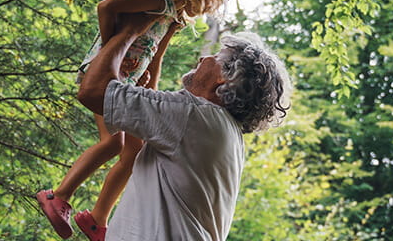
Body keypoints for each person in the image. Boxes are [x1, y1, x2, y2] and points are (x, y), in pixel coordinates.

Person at [37, 0, 235, 240]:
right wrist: (110, 54)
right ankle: (58, 195)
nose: (207, 9)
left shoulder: (173, 15)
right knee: (113, 144)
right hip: (104, 76)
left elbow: (156, 57)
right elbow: (107, 7)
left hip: (127, 82)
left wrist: (149, 94)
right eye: (210, 0)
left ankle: (96, 219)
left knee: (135, 151)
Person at [75, 26, 290, 241]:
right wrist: (157, 50)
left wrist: (129, 32)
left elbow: (92, 91)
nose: (203, 58)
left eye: (215, 56)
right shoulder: (221, 130)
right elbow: (153, 107)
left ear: (225, 77)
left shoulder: (193, 115)